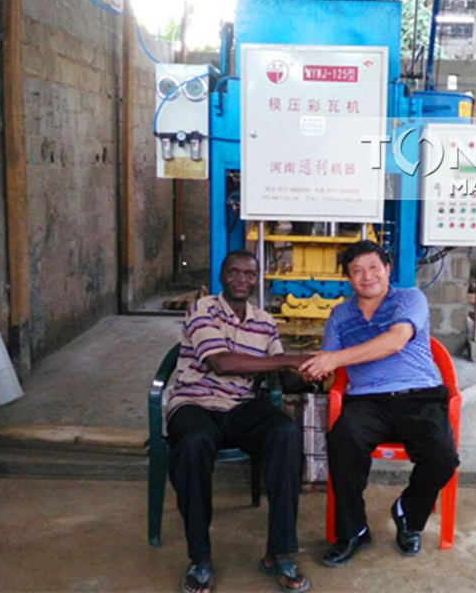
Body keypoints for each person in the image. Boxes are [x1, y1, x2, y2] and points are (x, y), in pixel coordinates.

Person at [299, 241, 459, 567]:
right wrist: (312, 369)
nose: (367, 276)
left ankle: (408, 515)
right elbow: (328, 364)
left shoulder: (409, 298)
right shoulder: (340, 315)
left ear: (387, 269)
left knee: (443, 456)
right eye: (357, 271)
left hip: (419, 395)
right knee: (342, 440)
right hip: (367, 400)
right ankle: (353, 531)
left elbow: (395, 340)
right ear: (348, 278)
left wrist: (334, 359)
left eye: (374, 267)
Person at [167, 250, 311, 593]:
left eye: (249, 274)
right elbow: (221, 363)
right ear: (222, 276)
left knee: (286, 432)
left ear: (256, 279)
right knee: (193, 443)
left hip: (240, 405)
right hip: (195, 402)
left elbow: (283, 373)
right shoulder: (202, 309)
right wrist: (290, 360)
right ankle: (200, 558)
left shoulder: (265, 321)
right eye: (234, 272)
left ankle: (279, 553)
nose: (241, 279)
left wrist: (313, 370)